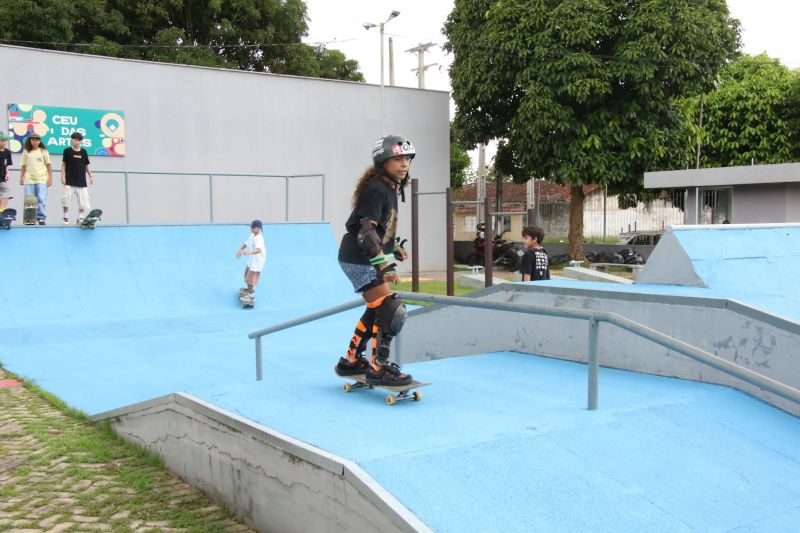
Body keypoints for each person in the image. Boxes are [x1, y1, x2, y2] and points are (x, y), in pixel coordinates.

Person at [335, 134, 415, 386]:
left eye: (407, 159)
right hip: (360, 257)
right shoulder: (378, 188)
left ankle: (350, 361)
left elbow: (380, 230)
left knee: (378, 308)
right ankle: (378, 367)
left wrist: (394, 249)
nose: (404, 164)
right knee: (392, 309)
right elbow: (365, 231)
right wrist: (385, 265)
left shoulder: (389, 188)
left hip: (359, 256)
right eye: (398, 159)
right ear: (383, 161)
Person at [18, 131, 52, 225]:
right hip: (29, 179)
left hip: (41, 178)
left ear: (39, 141)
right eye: (33, 139)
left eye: (37, 140)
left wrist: (50, 178)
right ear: (30, 141)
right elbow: (24, 166)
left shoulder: (43, 151)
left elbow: (49, 166)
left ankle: (41, 217)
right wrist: (21, 177)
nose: (35, 141)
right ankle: (30, 218)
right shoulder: (26, 151)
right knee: (30, 199)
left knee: (41, 198)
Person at [60, 132, 93, 225]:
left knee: (83, 200)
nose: (77, 142)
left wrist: (90, 175)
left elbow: (87, 164)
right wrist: (62, 176)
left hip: (81, 181)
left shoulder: (83, 152)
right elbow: (63, 165)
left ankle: (80, 218)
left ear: (81, 141)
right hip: (69, 180)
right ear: (71, 140)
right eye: (75, 140)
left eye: (79, 140)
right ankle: (65, 217)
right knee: (66, 199)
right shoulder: (67, 151)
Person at [235, 219, 266, 305]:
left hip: (257, 262)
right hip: (252, 259)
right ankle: (250, 291)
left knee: (249, 280)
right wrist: (239, 250)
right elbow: (246, 243)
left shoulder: (259, 239)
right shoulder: (252, 235)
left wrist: (249, 252)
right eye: (251, 227)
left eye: (253, 227)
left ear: (258, 228)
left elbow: (259, 249)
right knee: (247, 277)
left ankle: (252, 297)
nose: (251, 229)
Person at [0, 132, 12, 213]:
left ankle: (1, 211)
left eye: (5, 141)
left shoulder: (7, 152)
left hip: (2, 177)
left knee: (7, 193)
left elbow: (7, 165)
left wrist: (7, 173)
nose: (4, 142)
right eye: (2, 140)